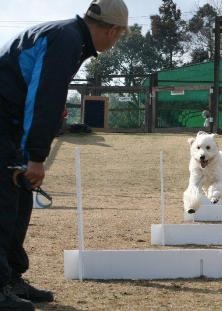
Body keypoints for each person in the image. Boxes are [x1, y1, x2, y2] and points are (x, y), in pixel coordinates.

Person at [0, 0, 128, 309]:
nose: (116, 41)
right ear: (112, 31)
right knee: (3, 202)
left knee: (19, 198)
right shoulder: (66, 41)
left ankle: (11, 277)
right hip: (4, 121)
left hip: (9, 122)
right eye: (120, 36)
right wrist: (35, 156)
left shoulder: (68, 36)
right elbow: (43, 97)